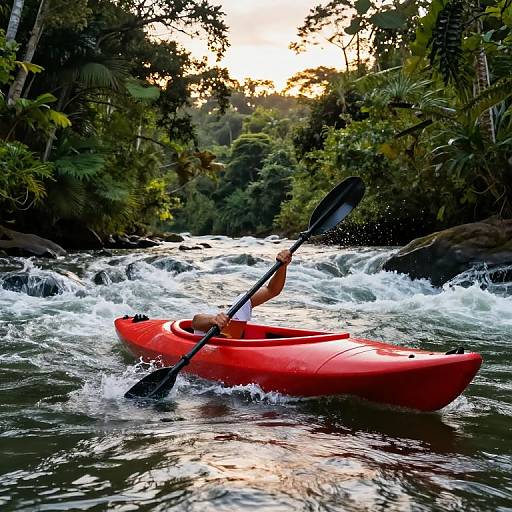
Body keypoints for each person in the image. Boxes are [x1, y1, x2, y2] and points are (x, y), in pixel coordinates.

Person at [191, 249, 292, 338]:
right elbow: (196, 321)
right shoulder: (211, 320)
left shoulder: (240, 305)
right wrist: (213, 320)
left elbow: (272, 290)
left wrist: (282, 267)